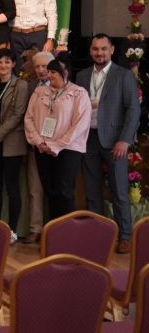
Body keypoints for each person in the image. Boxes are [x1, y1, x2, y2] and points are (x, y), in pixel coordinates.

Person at [77, 34, 140, 254]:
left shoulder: (124, 75)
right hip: (88, 140)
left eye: (104, 49)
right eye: (95, 49)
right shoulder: (82, 76)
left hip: (115, 141)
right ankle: (98, 236)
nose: (99, 53)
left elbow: (133, 110)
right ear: (90, 51)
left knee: (119, 191)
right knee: (92, 192)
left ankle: (125, 237)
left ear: (112, 50)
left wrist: (124, 140)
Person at [24, 58, 91, 221]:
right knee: (50, 191)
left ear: (65, 73)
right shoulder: (40, 92)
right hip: (42, 148)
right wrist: (39, 141)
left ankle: (67, 231)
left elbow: (80, 125)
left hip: (68, 149)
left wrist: (56, 145)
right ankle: (53, 231)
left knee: (64, 192)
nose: (49, 75)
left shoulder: (78, 93)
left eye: (53, 72)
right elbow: (29, 118)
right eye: (49, 71)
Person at [0, 48, 29, 243]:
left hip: (11, 143)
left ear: (13, 64)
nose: (3, 65)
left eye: (7, 62)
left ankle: (13, 230)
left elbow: (18, 115)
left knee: (12, 187)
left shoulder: (21, 85)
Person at [20, 50, 52, 243]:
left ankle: (55, 231)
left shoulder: (64, 86)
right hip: (35, 144)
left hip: (57, 147)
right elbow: (27, 116)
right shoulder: (30, 86)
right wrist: (36, 140)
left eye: (45, 66)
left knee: (57, 189)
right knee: (35, 189)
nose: (41, 70)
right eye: (37, 67)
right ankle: (35, 228)